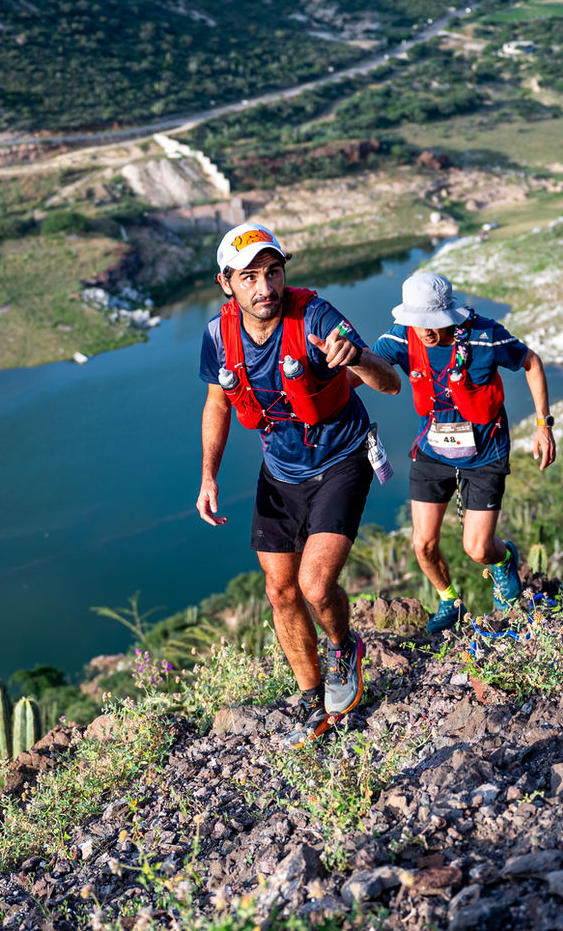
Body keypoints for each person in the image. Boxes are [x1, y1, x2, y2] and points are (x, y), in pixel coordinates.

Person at [196, 223, 402, 745]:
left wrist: (358, 358)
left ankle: (344, 648)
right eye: (249, 278)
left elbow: (390, 383)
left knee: (314, 585)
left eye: (273, 272)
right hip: (281, 472)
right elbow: (218, 402)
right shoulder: (218, 336)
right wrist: (208, 475)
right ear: (226, 283)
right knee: (279, 591)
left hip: (341, 459)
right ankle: (314, 702)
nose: (265, 287)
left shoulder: (315, 316)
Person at [371, 272, 557, 634]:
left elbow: (531, 363)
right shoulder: (401, 336)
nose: (425, 331)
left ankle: (505, 560)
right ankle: (450, 601)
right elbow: (365, 368)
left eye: (431, 321)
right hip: (432, 449)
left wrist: (543, 425)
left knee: (478, 549)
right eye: (417, 321)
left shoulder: (485, 335)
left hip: (485, 452)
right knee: (423, 544)